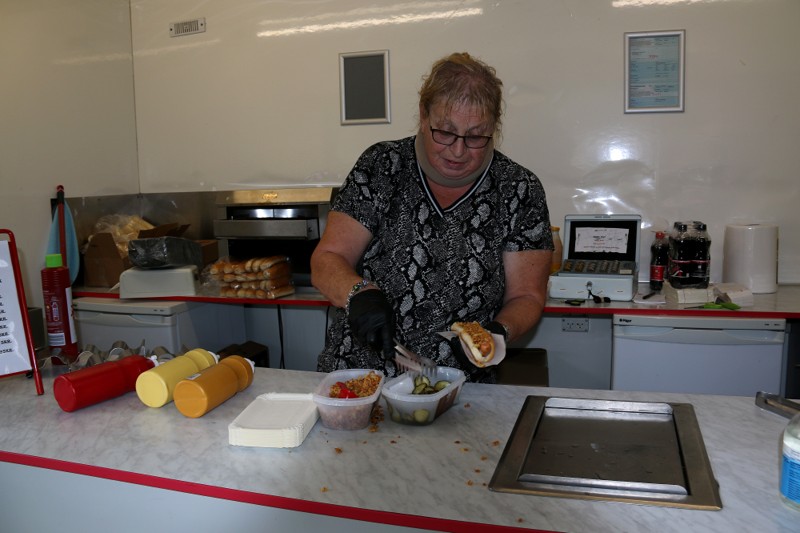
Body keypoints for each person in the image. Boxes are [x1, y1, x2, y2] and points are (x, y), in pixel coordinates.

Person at [311, 52, 553, 382]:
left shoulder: (519, 189)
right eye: (446, 132)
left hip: (459, 384)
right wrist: (360, 294)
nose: (457, 150)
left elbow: (526, 296)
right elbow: (327, 259)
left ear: (494, 128)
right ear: (423, 117)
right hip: (362, 378)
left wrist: (497, 332)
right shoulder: (382, 167)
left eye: (475, 136)